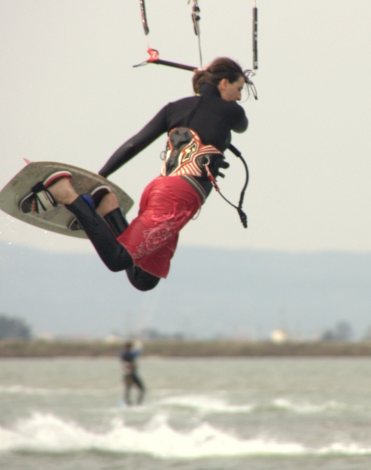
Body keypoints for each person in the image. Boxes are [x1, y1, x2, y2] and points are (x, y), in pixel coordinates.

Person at [20, 57, 250, 291]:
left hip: (162, 190)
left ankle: (108, 207)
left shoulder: (174, 108)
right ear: (224, 83)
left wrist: (101, 176)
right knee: (118, 259)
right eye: (239, 88)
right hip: (175, 200)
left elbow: (134, 144)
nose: (240, 96)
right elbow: (243, 126)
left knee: (144, 278)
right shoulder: (232, 111)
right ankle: (65, 194)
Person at [120, 341, 145, 406]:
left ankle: (138, 403)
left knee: (141, 389)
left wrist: (139, 345)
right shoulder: (125, 354)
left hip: (132, 375)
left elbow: (137, 351)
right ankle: (127, 403)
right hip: (128, 375)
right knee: (128, 389)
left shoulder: (128, 354)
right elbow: (137, 352)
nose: (126, 349)